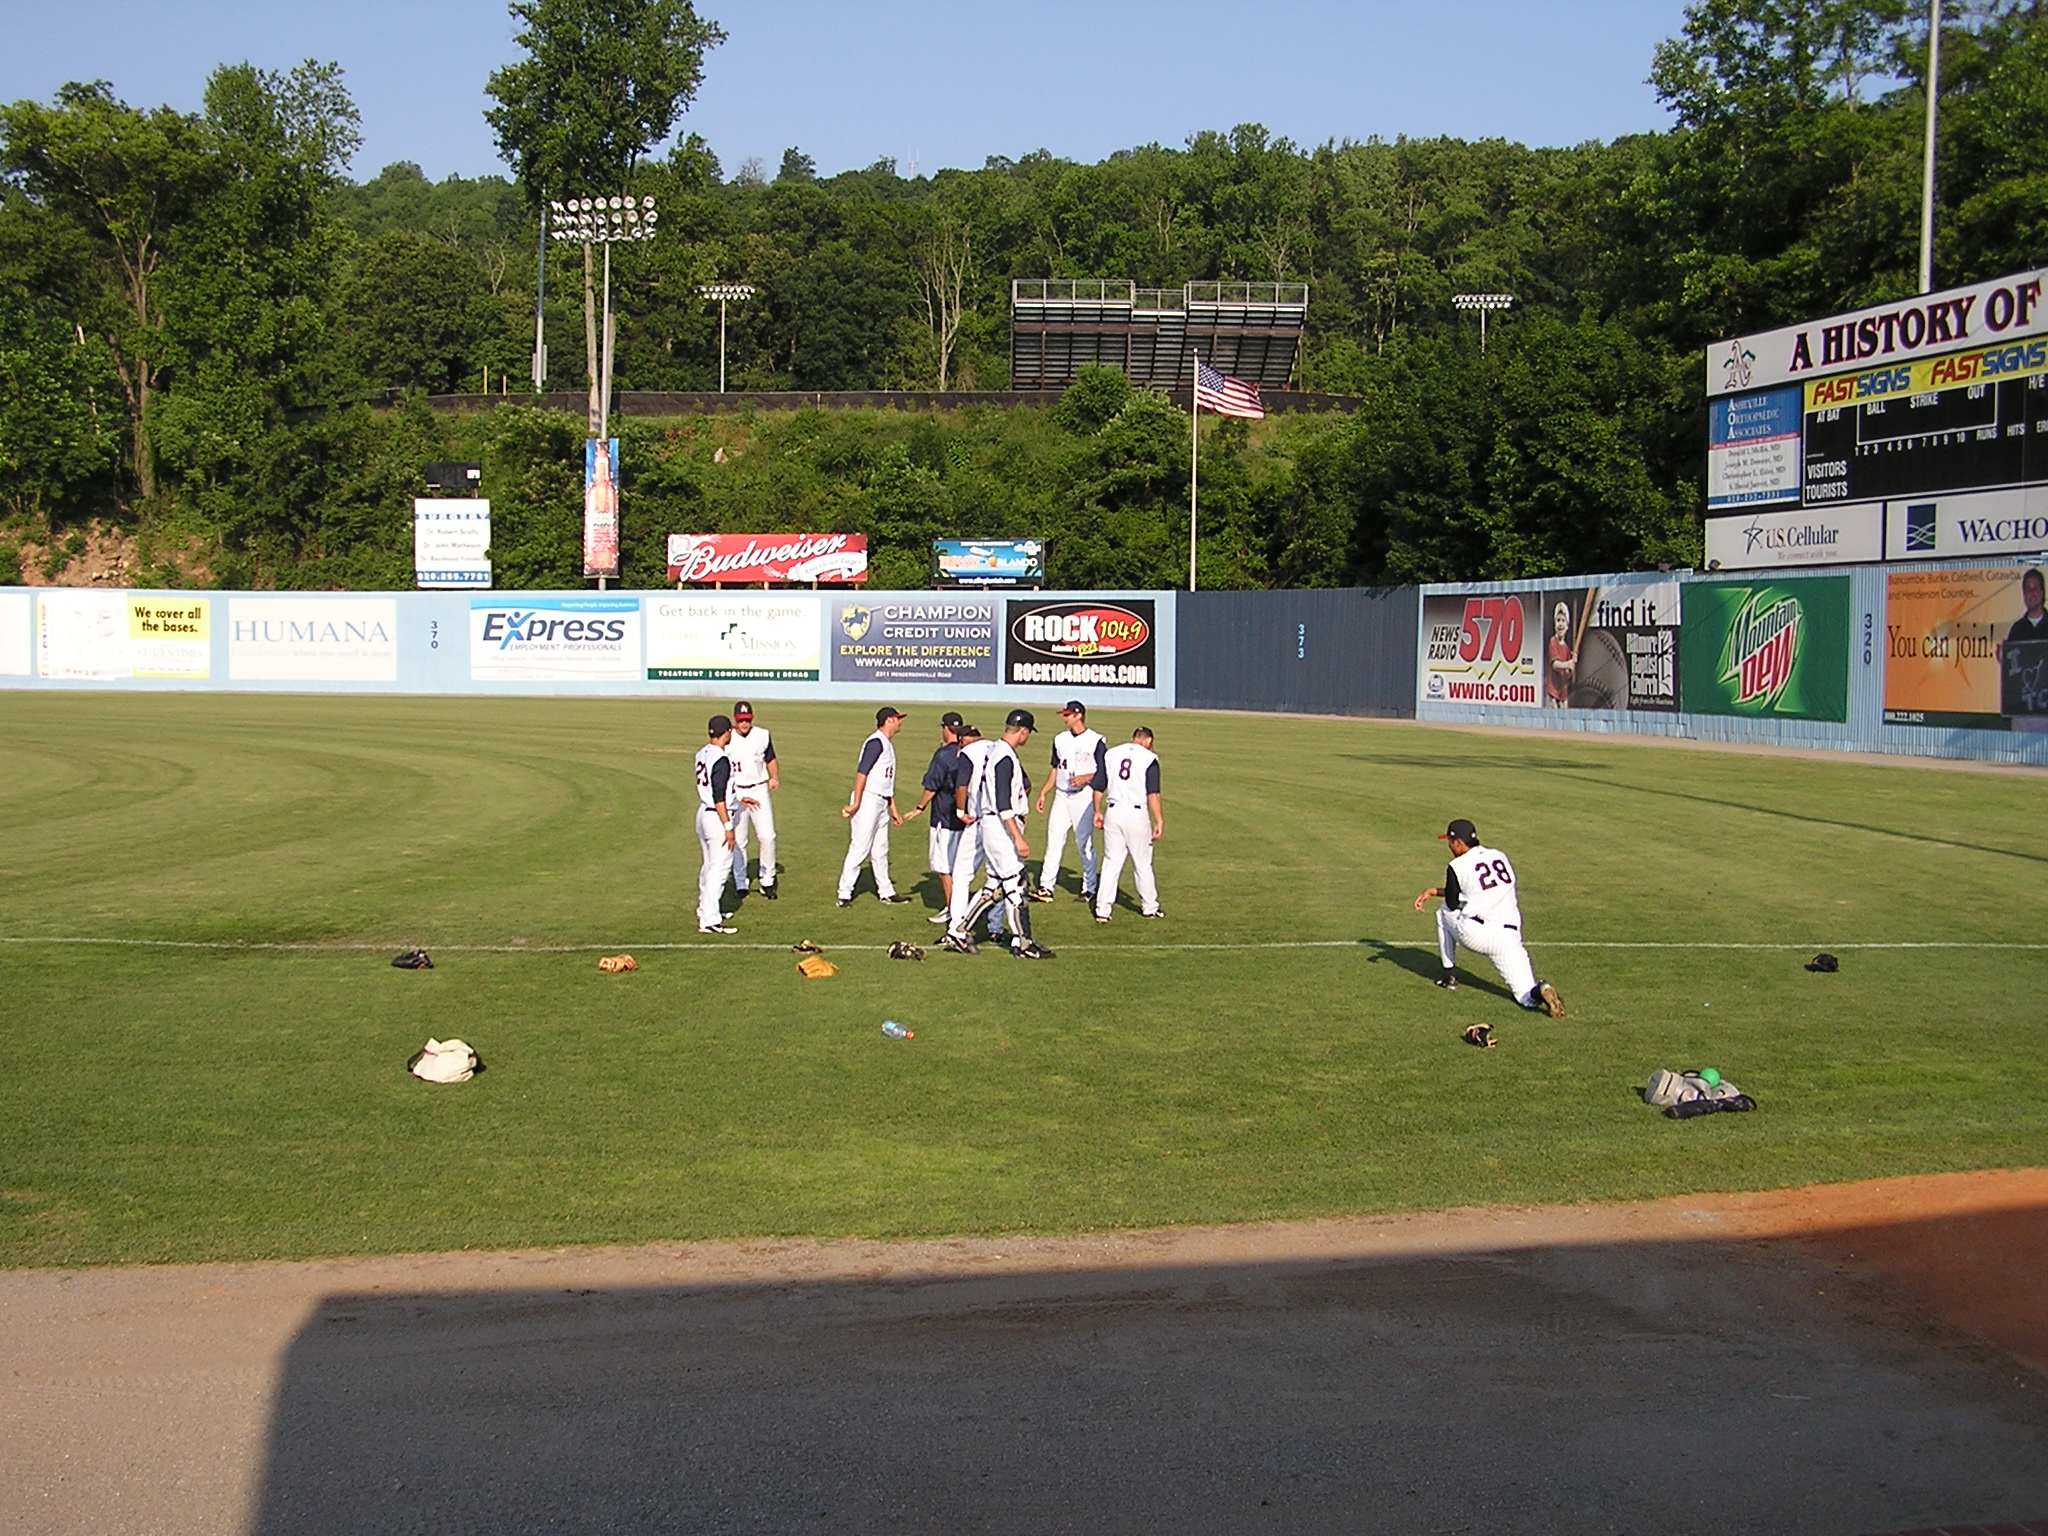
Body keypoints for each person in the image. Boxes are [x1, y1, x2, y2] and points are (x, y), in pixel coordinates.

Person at [1412, 818, 1563, 1018]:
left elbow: (1452, 902)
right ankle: (1541, 989)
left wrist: (1434, 893)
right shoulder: (1499, 856)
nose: (1449, 846)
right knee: (1526, 997)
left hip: (1477, 934)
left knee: (1442, 912)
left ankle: (1449, 976)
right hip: (1509, 937)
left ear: (1458, 843)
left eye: (1450, 841)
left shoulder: (1457, 865)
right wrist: (1433, 890)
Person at [944, 708, 1054, 959]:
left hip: (989, 823)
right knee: (1016, 883)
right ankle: (1023, 942)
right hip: (999, 825)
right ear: (1023, 731)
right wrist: (1017, 836)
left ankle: (959, 932)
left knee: (995, 887)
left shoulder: (994, 751)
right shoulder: (1003, 755)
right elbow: (1003, 803)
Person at [1033, 699, 1107, 903]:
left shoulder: (1096, 740)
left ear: (1079, 715)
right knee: (1054, 840)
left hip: (1084, 797)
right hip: (1062, 795)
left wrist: (1087, 777)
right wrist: (1044, 792)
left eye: (1068, 715)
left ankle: (1089, 888)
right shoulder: (1059, 740)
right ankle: (1046, 887)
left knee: (1084, 843)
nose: (1064, 718)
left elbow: (1103, 771)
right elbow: (1055, 768)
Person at [837, 707, 911, 907]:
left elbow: (885, 783)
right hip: (868, 800)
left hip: (880, 801)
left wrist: (893, 809)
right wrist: (856, 803)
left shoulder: (886, 744)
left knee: (881, 849)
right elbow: (862, 773)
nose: (899, 722)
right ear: (888, 720)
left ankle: (886, 892)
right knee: (860, 846)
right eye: (897, 719)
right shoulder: (875, 742)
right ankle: (844, 894)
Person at [1092, 726, 1164, 923]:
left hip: (1113, 812)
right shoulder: (1149, 759)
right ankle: (1150, 907)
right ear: (1148, 741)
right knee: (1142, 864)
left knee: (1111, 862)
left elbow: (1098, 785)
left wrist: (1097, 811)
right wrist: (1159, 820)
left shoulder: (1111, 754)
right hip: (1136, 814)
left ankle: (1102, 910)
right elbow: (1153, 794)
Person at [909, 712, 967, 924]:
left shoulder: (943, 755)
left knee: (945, 868)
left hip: (944, 818)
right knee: (960, 867)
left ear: (945, 728)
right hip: (965, 819)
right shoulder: (968, 751)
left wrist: (919, 807)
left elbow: (932, 785)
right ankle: (959, 908)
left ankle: (954, 911)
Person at [726, 700, 779, 900]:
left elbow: (771, 758)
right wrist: (733, 795)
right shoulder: (728, 738)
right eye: (741, 720)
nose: (744, 724)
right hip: (737, 792)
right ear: (735, 720)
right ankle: (740, 882)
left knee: (767, 836)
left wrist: (774, 777)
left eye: (747, 720)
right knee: (739, 840)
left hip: (758, 789)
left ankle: (768, 880)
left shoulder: (762, 735)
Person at [692, 715, 738, 935]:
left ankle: (706, 909)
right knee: (719, 868)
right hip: (716, 816)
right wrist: (728, 827)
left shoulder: (701, 753)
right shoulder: (721, 759)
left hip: (703, 813)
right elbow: (719, 796)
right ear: (726, 732)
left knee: (709, 865)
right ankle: (710, 919)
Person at [2005, 569, 2046, 644]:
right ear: (2024, 595)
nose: (2032, 593)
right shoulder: (2017, 630)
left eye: (2035, 588)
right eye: (2028, 589)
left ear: (2042, 593)